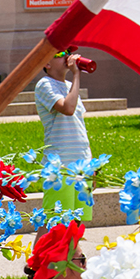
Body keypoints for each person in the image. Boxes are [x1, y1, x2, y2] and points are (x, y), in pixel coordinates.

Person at [34, 51, 92, 220]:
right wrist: (76, 75)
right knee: (55, 220)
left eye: (69, 52)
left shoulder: (70, 86)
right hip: (60, 166)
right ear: (47, 64)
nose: (67, 56)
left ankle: (73, 248)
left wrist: (91, 162)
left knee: (78, 221)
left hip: (82, 163)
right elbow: (67, 109)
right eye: (61, 53)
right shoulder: (45, 85)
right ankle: (42, 248)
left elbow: (79, 126)